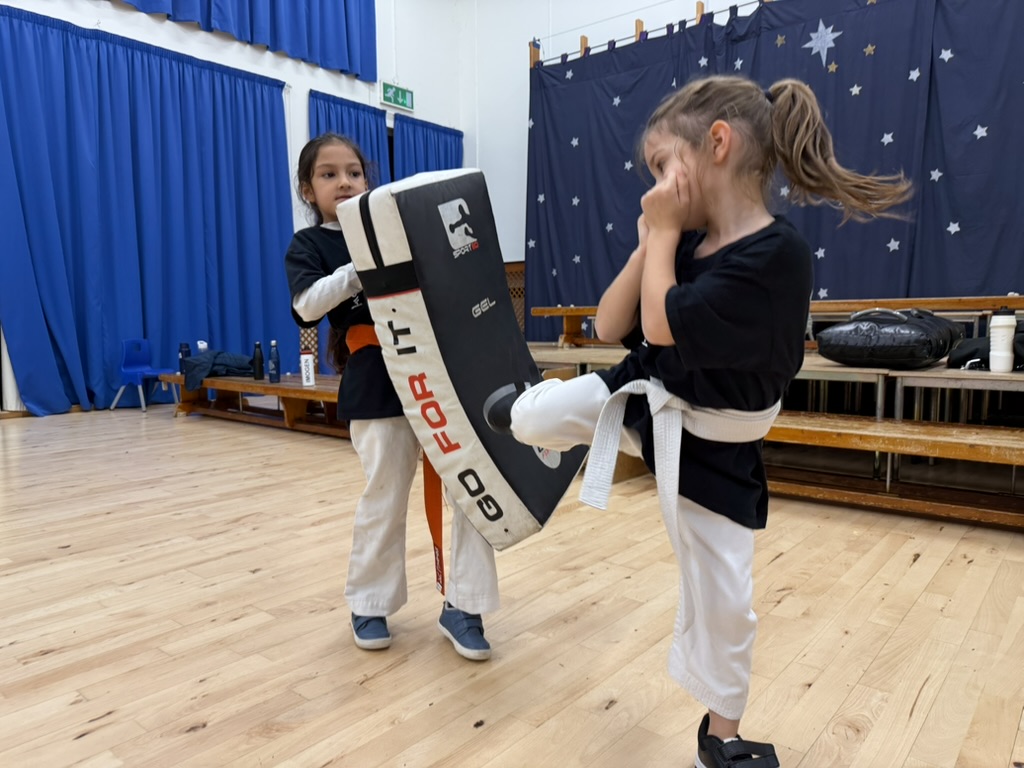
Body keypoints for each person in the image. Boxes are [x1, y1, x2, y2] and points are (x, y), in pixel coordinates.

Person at [506, 76, 912, 767]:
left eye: (664, 166)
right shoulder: (682, 244)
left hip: (716, 450)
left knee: (727, 604)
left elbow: (663, 325)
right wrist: (648, 245)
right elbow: (611, 325)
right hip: (644, 398)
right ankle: (520, 410)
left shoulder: (775, 254)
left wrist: (662, 234)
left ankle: (719, 740)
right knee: (533, 418)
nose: (656, 184)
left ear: (716, 145)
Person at [284, 133, 499, 661]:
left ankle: (465, 605)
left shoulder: (400, 229)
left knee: (472, 487)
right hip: (376, 375)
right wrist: (361, 268)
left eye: (354, 172)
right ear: (308, 190)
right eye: (329, 174)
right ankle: (370, 601)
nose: (344, 182)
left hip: (443, 370)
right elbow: (309, 306)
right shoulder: (311, 245)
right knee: (384, 492)